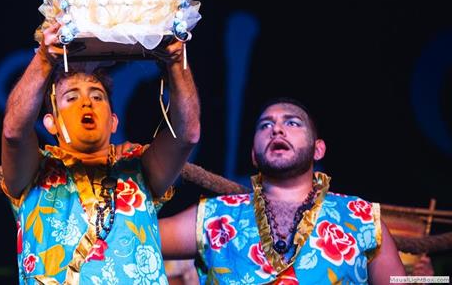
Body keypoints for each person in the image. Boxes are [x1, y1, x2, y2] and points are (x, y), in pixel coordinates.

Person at [1, 22, 201, 283]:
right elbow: (13, 132)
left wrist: (176, 62)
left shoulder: (139, 169)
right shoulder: (33, 173)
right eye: (71, 98)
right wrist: (44, 59)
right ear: (51, 122)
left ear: (113, 121)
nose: (86, 102)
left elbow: (187, 135)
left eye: (97, 97)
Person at [159, 98, 406, 284]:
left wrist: (425, 279)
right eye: (265, 125)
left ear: (318, 149)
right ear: (254, 155)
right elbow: (139, 236)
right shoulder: (215, 216)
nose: (276, 129)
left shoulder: (361, 217)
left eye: (292, 123)